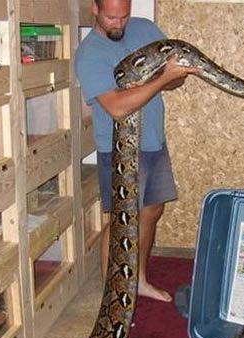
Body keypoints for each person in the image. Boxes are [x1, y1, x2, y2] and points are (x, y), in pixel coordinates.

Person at [75, 0, 197, 302]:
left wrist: (166, 78)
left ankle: (138, 280)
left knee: (152, 210)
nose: (119, 23)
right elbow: (117, 107)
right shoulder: (90, 53)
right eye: (111, 17)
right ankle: (113, 295)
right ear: (95, 9)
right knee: (122, 221)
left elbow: (177, 79)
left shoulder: (145, 30)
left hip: (153, 139)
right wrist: (161, 78)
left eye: (124, 16)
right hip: (119, 149)